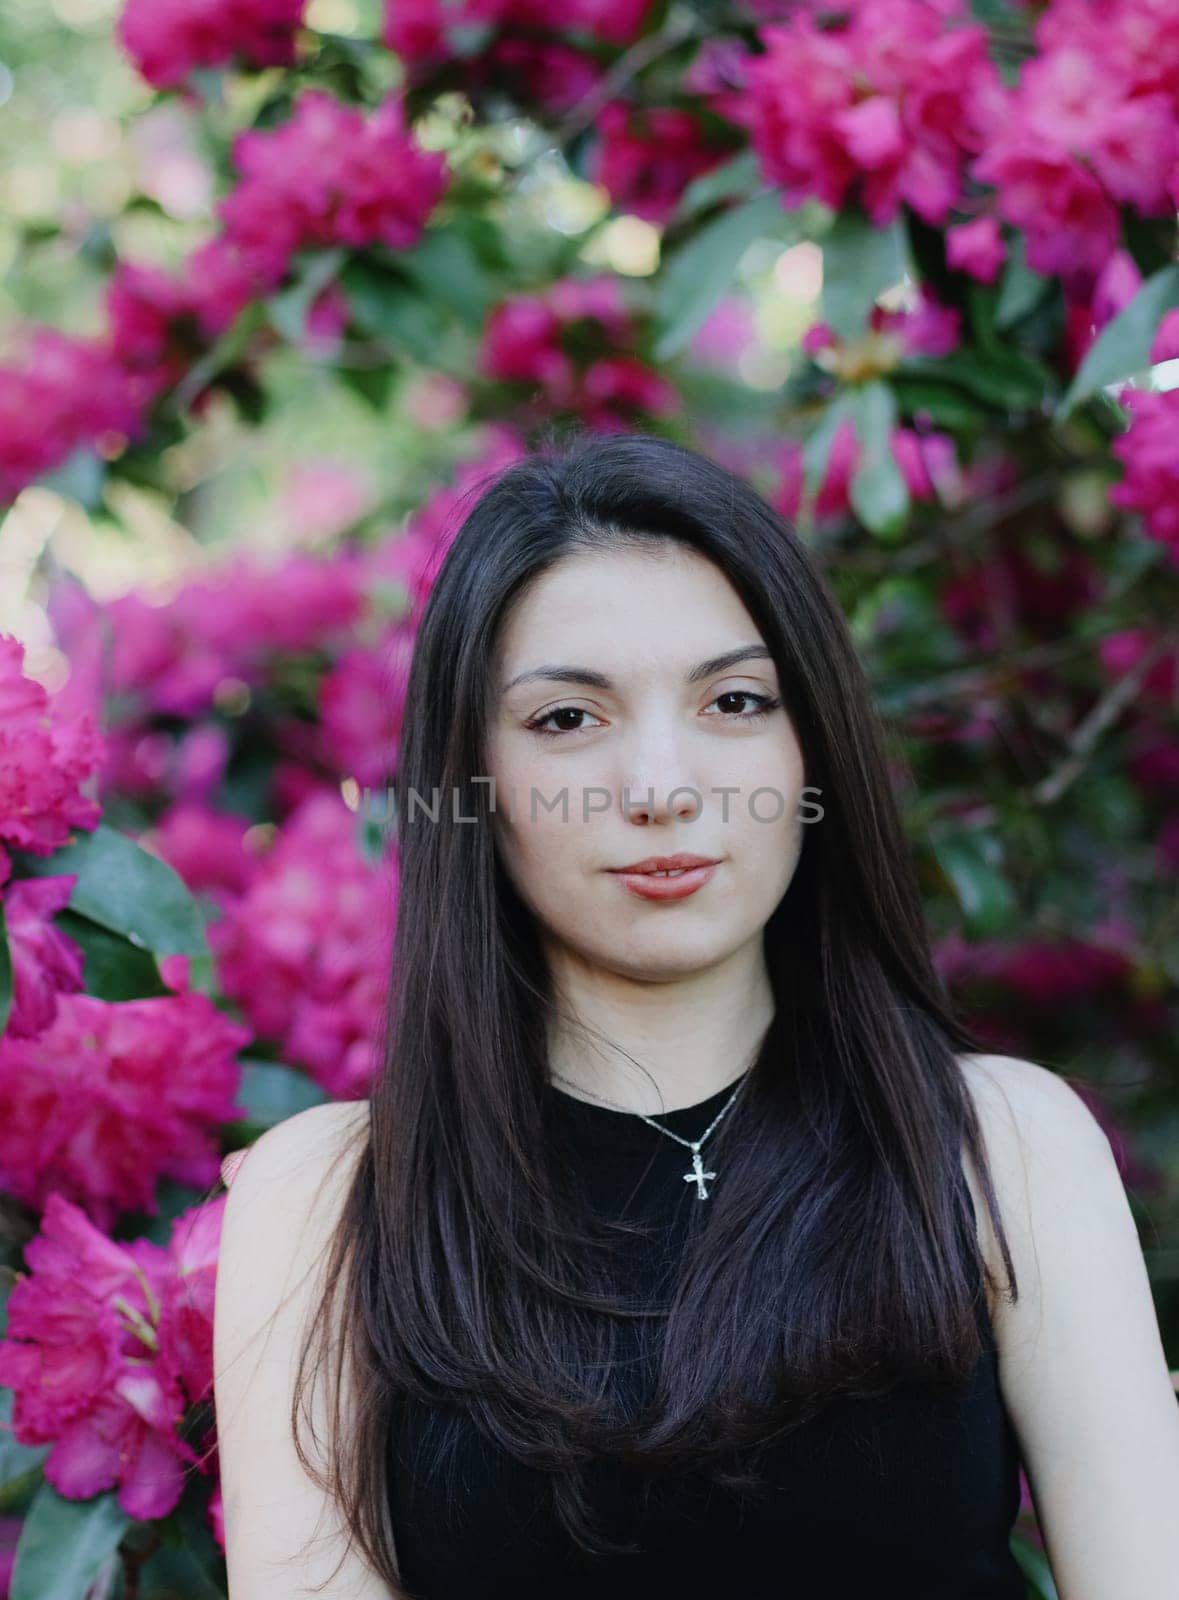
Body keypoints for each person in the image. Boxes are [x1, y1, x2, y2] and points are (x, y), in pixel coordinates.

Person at [213, 429, 1179, 1599]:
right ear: (473, 783)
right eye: (569, 719)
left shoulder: (1002, 1148)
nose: (662, 787)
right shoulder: (331, 1205)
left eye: (732, 700)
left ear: (810, 742)